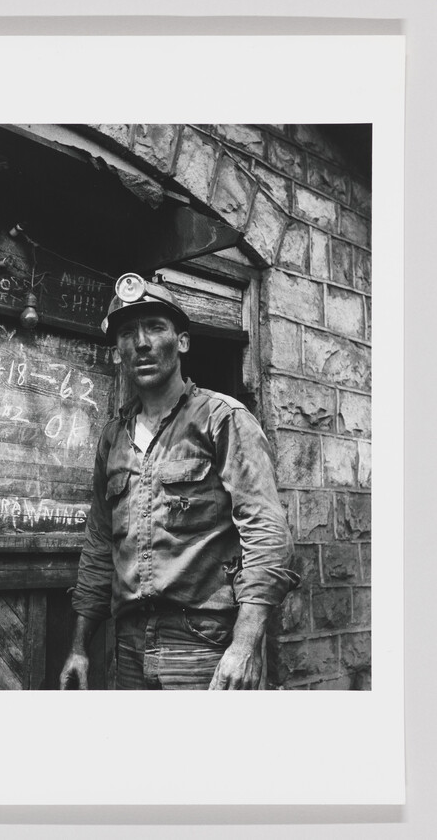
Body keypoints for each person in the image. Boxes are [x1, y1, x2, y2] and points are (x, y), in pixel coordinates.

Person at [59, 272, 299, 690]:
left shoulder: (222, 420)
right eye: (128, 333)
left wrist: (244, 645)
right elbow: (100, 545)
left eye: (155, 327)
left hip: (203, 643)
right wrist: (79, 645)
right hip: (129, 645)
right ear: (118, 351)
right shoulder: (113, 438)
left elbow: (266, 533)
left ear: (182, 341)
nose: (142, 343)